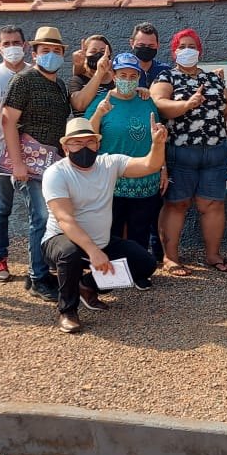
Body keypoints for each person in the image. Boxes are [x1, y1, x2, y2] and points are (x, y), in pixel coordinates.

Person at [42, 116, 167, 334]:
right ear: (65, 146)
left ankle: (88, 285)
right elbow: (65, 219)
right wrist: (93, 252)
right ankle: (68, 311)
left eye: (90, 141)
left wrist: (157, 143)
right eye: (77, 142)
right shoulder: (56, 173)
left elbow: (150, 165)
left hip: (102, 241)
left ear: (98, 143)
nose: (84, 147)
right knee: (69, 253)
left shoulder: (109, 163)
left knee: (145, 264)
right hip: (61, 239)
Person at [150, 27, 227, 275]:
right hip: (181, 152)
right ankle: (171, 258)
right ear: (174, 51)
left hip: (215, 153)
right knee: (176, 205)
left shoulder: (212, 79)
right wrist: (186, 104)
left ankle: (212, 255)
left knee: (212, 205)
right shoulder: (167, 78)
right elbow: (159, 105)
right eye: (182, 46)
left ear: (199, 50)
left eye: (192, 46)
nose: (187, 50)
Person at [1, 25, 73, 303]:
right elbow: (8, 122)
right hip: (29, 163)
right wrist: (17, 163)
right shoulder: (24, 80)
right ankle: (38, 277)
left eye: (56, 50)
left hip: (53, 162)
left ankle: (41, 272)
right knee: (40, 218)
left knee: (51, 219)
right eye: (45, 50)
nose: (51, 55)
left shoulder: (60, 84)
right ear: (34, 53)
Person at [85, 53, 166, 289]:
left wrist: (162, 168)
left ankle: (138, 272)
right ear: (113, 75)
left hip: (145, 178)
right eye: (123, 75)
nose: (128, 80)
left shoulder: (146, 100)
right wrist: (99, 113)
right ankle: (109, 275)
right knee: (111, 231)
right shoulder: (101, 101)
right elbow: (87, 137)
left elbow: (158, 138)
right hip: (112, 180)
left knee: (140, 229)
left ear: (139, 77)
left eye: (133, 76)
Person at [0, 25, 30, 282]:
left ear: (25, 45)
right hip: (0, 154)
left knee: (40, 210)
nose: (12, 47)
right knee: (1, 209)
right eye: (6, 43)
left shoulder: (35, 73)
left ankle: (42, 260)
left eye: (16, 42)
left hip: (32, 154)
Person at [128, 22, 172, 262]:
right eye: (141, 45)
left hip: (160, 140)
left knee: (157, 200)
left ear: (158, 46)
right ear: (131, 44)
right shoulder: (124, 70)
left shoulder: (165, 71)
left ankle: (157, 254)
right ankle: (133, 254)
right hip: (129, 141)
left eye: (150, 45)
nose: (145, 48)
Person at [68, 34, 114, 115]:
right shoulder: (77, 80)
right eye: (93, 51)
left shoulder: (117, 80)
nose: (98, 55)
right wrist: (99, 73)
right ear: (85, 55)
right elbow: (79, 105)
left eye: (103, 51)